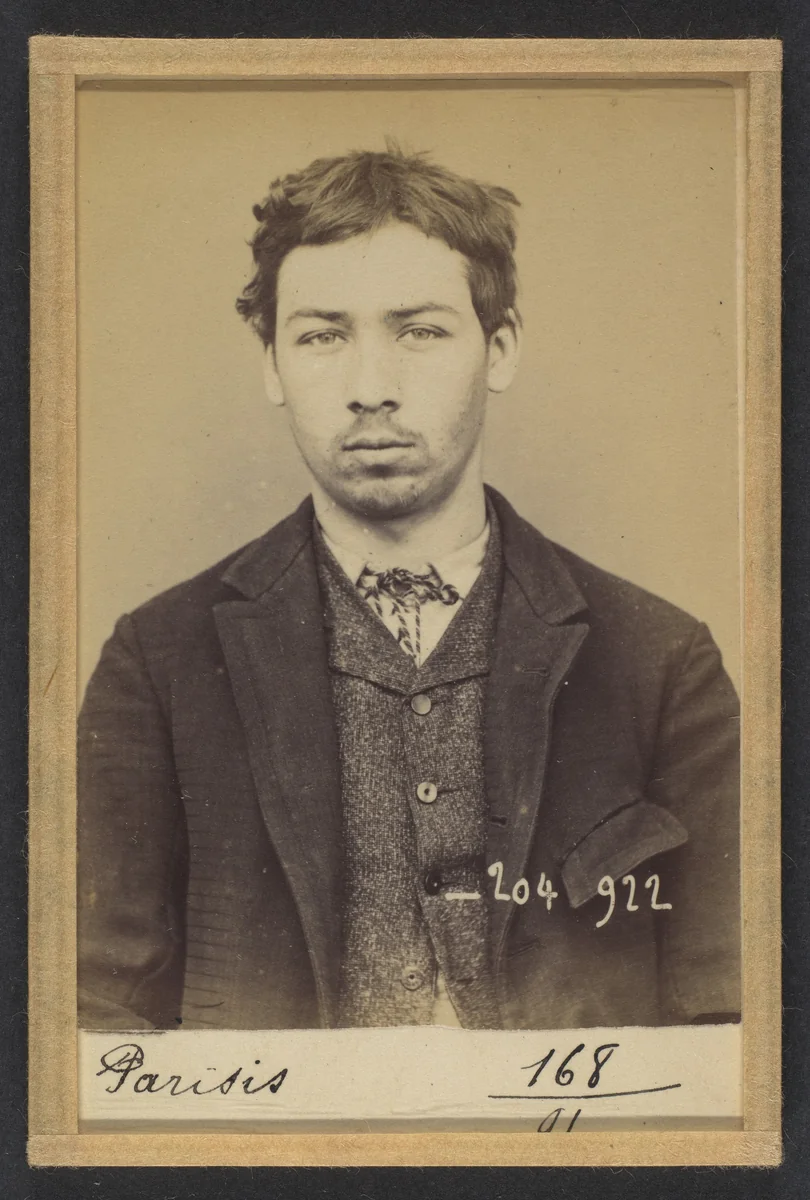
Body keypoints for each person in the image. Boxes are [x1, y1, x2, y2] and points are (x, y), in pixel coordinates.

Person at [78, 146, 741, 1032]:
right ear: (272, 364)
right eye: (321, 336)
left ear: (498, 349)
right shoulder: (157, 662)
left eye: (419, 331)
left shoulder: (663, 661)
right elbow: (89, 1020)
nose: (370, 390)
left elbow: (734, 1029)